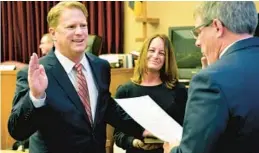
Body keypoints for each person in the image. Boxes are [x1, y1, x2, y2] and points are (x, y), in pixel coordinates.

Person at [8, 2, 146, 153]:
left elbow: (106, 108)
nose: (80, 32)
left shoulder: (100, 66)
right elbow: (18, 131)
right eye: (71, 27)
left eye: (83, 25)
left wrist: (144, 131)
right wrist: (35, 97)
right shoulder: (37, 73)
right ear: (53, 33)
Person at [163, 2, 259, 153]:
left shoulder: (210, 80)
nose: (197, 42)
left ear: (217, 27)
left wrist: (173, 149)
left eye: (198, 32)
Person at [113, 34, 187, 153]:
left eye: (162, 53)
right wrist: (134, 142)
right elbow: (118, 135)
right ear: (143, 53)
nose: (155, 56)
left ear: (167, 58)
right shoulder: (125, 91)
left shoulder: (179, 90)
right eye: (151, 50)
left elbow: (187, 131)